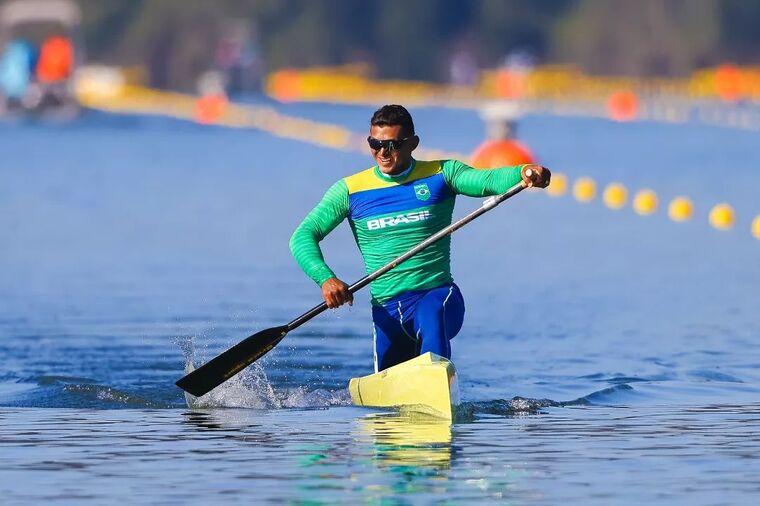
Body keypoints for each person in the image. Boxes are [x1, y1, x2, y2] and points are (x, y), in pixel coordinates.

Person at [290, 105, 550, 373]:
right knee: (386, 402)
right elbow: (302, 237)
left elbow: (485, 179)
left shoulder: (442, 174)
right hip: (387, 310)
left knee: (432, 315)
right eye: (375, 143)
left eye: (391, 145)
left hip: (436, 296)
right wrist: (326, 278)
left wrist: (523, 172)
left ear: (413, 143)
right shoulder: (349, 191)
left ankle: (437, 380)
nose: (382, 152)